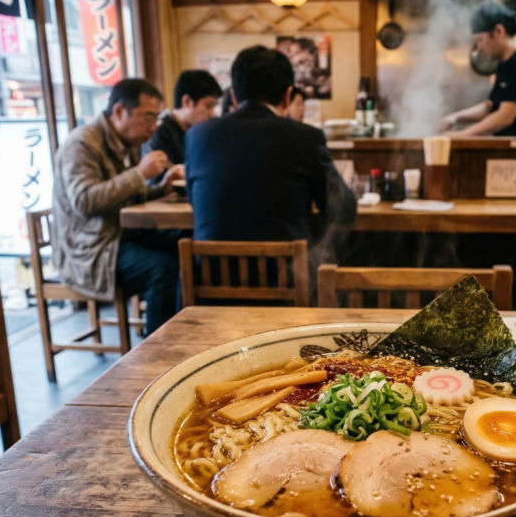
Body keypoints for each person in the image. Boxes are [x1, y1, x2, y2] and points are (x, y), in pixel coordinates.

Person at [186, 45, 356, 264]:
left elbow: (196, 201)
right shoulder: (305, 137)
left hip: (209, 279)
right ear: (287, 96)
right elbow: (343, 209)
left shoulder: (196, 136)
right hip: (286, 281)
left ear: (234, 97)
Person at [52, 78, 183, 335]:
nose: (153, 127)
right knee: (164, 269)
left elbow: (127, 196)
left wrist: (162, 188)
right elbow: (84, 201)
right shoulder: (82, 143)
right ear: (120, 111)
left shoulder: (128, 144)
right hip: (90, 249)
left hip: (119, 237)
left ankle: (180, 337)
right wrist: (140, 173)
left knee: (183, 249)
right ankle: (157, 351)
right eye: (148, 117)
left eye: (156, 119)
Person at [439, 3, 516, 137]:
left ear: (498, 31)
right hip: (510, 146)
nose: (479, 48)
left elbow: (504, 117)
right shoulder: (505, 62)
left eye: (480, 40)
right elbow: (490, 106)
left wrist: (461, 135)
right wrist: (455, 118)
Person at [142, 69, 221, 166]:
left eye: (214, 107)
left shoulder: (198, 130)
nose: (212, 114)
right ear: (187, 101)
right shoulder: (159, 133)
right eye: (208, 106)